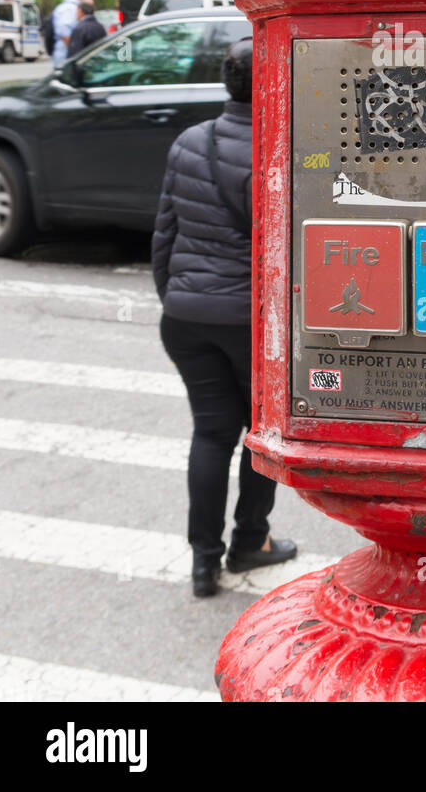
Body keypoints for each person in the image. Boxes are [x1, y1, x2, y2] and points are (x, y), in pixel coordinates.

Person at [152, 38, 297, 597]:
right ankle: (250, 542)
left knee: (211, 435)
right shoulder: (279, 149)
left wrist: (177, 298)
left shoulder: (190, 142)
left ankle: (203, 563)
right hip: (249, 323)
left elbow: (164, 234)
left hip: (186, 318)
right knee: (260, 435)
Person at [51, 0, 93, 65]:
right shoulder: (70, 8)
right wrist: (76, 54)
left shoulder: (71, 6)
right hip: (67, 58)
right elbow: (65, 33)